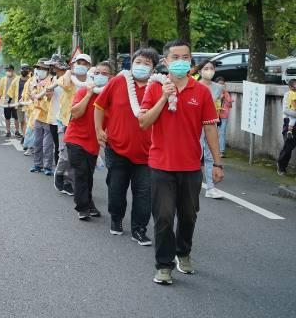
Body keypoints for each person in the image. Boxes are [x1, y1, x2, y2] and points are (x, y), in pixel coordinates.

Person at [139, 39, 224, 286]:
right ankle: (164, 265)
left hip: (190, 166)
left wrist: (217, 164)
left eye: (185, 57)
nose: (180, 62)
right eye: (175, 58)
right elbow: (144, 122)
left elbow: (210, 130)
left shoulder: (202, 92)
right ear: (165, 61)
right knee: (164, 217)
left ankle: (183, 252)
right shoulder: (155, 88)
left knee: (189, 215)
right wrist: (164, 98)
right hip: (161, 164)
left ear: (191, 62)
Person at [94, 49, 159, 244]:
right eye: (138, 61)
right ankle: (116, 218)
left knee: (144, 193)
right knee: (116, 188)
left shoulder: (158, 87)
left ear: (154, 68)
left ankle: (139, 229)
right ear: (131, 63)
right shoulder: (118, 81)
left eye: (147, 63)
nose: (141, 65)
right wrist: (98, 130)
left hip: (148, 153)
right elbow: (99, 105)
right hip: (117, 148)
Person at [65, 61, 112, 220]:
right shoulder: (84, 91)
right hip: (75, 139)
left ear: (111, 77)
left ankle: (89, 203)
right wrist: (88, 95)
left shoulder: (110, 97)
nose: (100, 76)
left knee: (88, 175)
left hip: (93, 143)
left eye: (105, 74)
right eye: (98, 72)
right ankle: (82, 207)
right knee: (81, 173)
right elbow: (76, 113)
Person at [51, 54, 92, 194]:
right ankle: (60, 173)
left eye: (84, 63)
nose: (81, 65)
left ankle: (69, 182)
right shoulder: (69, 78)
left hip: (82, 122)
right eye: (78, 62)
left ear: (89, 66)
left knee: (76, 156)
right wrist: (70, 70)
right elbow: (65, 82)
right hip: (65, 120)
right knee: (65, 154)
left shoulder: (92, 81)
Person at [195, 60, 225, 199]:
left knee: (209, 155)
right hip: (195, 124)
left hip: (211, 124)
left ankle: (210, 187)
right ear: (200, 71)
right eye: (205, 68)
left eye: (211, 68)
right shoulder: (195, 86)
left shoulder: (218, 88)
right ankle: (191, 182)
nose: (209, 70)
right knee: (197, 152)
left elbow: (217, 104)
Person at [27, 59, 55, 175]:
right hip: (38, 116)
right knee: (37, 142)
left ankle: (47, 167)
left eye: (43, 68)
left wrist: (40, 96)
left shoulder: (53, 81)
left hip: (49, 116)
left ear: (48, 70)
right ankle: (37, 165)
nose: (40, 70)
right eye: (39, 68)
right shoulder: (36, 80)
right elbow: (32, 94)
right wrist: (34, 94)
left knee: (47, 144)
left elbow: (49, 97)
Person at [277, 78, 296, 175]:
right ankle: (281, 166)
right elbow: (286, 110)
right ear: (290, 87)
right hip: (289, 123)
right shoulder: (288, 95)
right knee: (288, 146)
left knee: (291, 146)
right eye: (294, 87)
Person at [0, 65, 19, 137]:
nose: (8, 72)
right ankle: (8, 131)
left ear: (13, 70)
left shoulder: (17, 78)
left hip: (15, 101)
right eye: (7, 70)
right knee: (7, 117)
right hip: (6, 101)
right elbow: (0, 91)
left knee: (16, 117)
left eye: (9, 70)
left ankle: (17, 131)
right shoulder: (3, 79)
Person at [214, 76, 232, 156]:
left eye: (222, 84)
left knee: (222, 132)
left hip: (224, 115)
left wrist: (226, 99)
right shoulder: (213, 92)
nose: (221, 86)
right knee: (213, 132)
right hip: (215, 115)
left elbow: (230, 105)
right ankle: (214, 149)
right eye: (219, 84)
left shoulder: (226, 93)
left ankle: (221, 151)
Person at [17, 64, 32, 139]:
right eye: (23, 69)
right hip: (19, 104)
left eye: (26, 69)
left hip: (29, 104)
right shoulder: (17, 80)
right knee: (22, 121)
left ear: (29, 71)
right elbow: (12, 91)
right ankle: (23, 134)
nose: (24, 71)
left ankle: (25, 137)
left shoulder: (32, 80)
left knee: (27, 121)